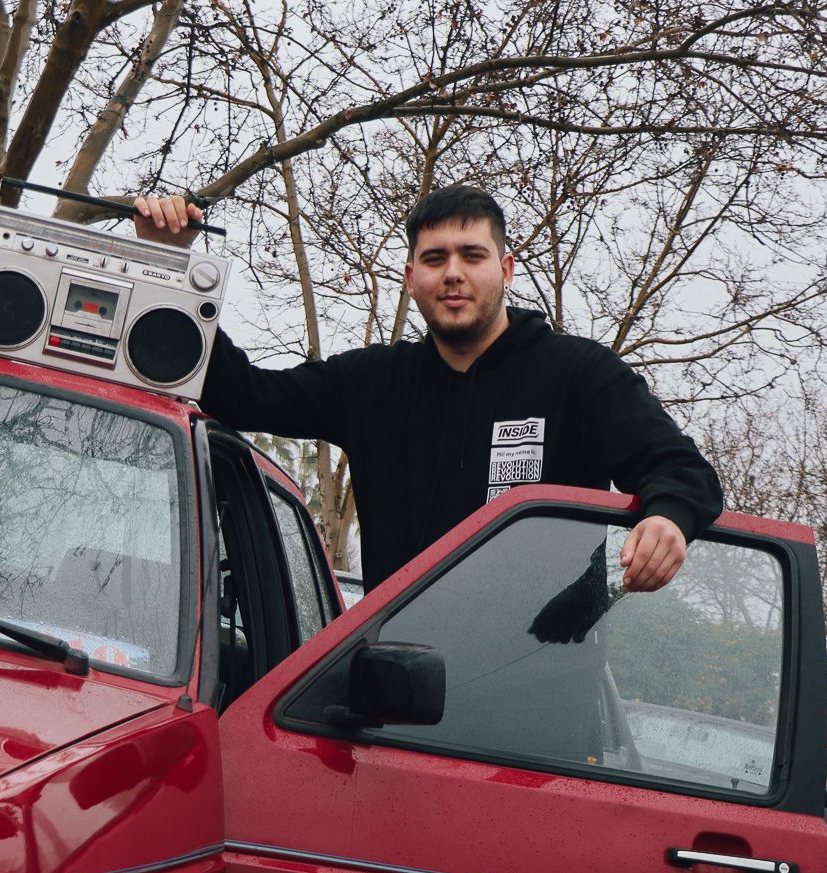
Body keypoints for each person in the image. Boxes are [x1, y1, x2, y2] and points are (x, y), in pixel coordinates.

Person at [132, 186, 722, 592]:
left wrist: (668, 519)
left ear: (507, 269)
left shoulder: (580, 375)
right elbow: (242, 394)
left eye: (473, 255)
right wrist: (168, 267)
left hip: (544, 688)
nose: (454, 273)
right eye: (434, 258)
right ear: (412, 278)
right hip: (394, 680)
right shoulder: (370, 383)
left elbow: (682, 471)